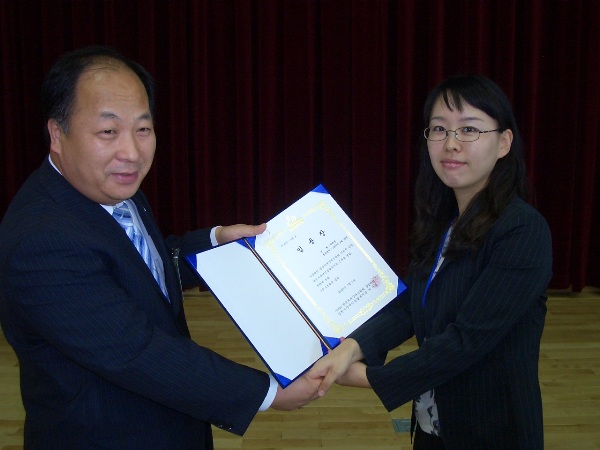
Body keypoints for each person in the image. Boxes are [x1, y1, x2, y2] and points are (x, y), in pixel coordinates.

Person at [0, 46, 322, 449]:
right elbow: (136, 351)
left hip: (168, 422)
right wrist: (269, 393)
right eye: (108, 132)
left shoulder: (108, 187)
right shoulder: (42, 242)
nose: (132, 153)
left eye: (143, 129)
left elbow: (135, 265)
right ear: (57, 135)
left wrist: (214, 243)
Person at [308, 75, 552, 449]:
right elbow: (412, 306)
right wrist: (352, 346)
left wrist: (368, 377)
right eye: (439, 129)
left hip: (492, 430)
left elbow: (468, 340)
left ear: (504, 142)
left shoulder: (522, 230)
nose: (451, 143)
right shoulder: (445, 220)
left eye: (469, 129)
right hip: (434, 424)